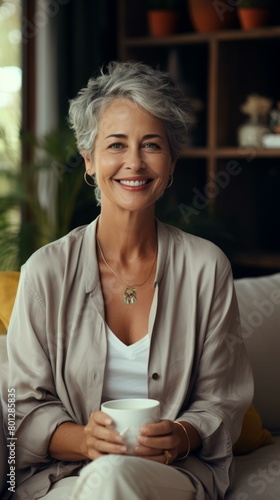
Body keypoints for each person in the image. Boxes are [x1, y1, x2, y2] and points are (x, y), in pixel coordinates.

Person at [4, 61, 253, 500]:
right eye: (116, 144)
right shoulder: (44, 272)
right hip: (65, 477)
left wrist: (183, 434)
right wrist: (84, 440)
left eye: (151, 145)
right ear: (89, 159)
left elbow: (222, 399)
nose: (134, 163)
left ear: (171, 161)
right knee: (105, 479)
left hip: (170, 476)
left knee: (113, 478)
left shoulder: (206, 267)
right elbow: (19, 410)